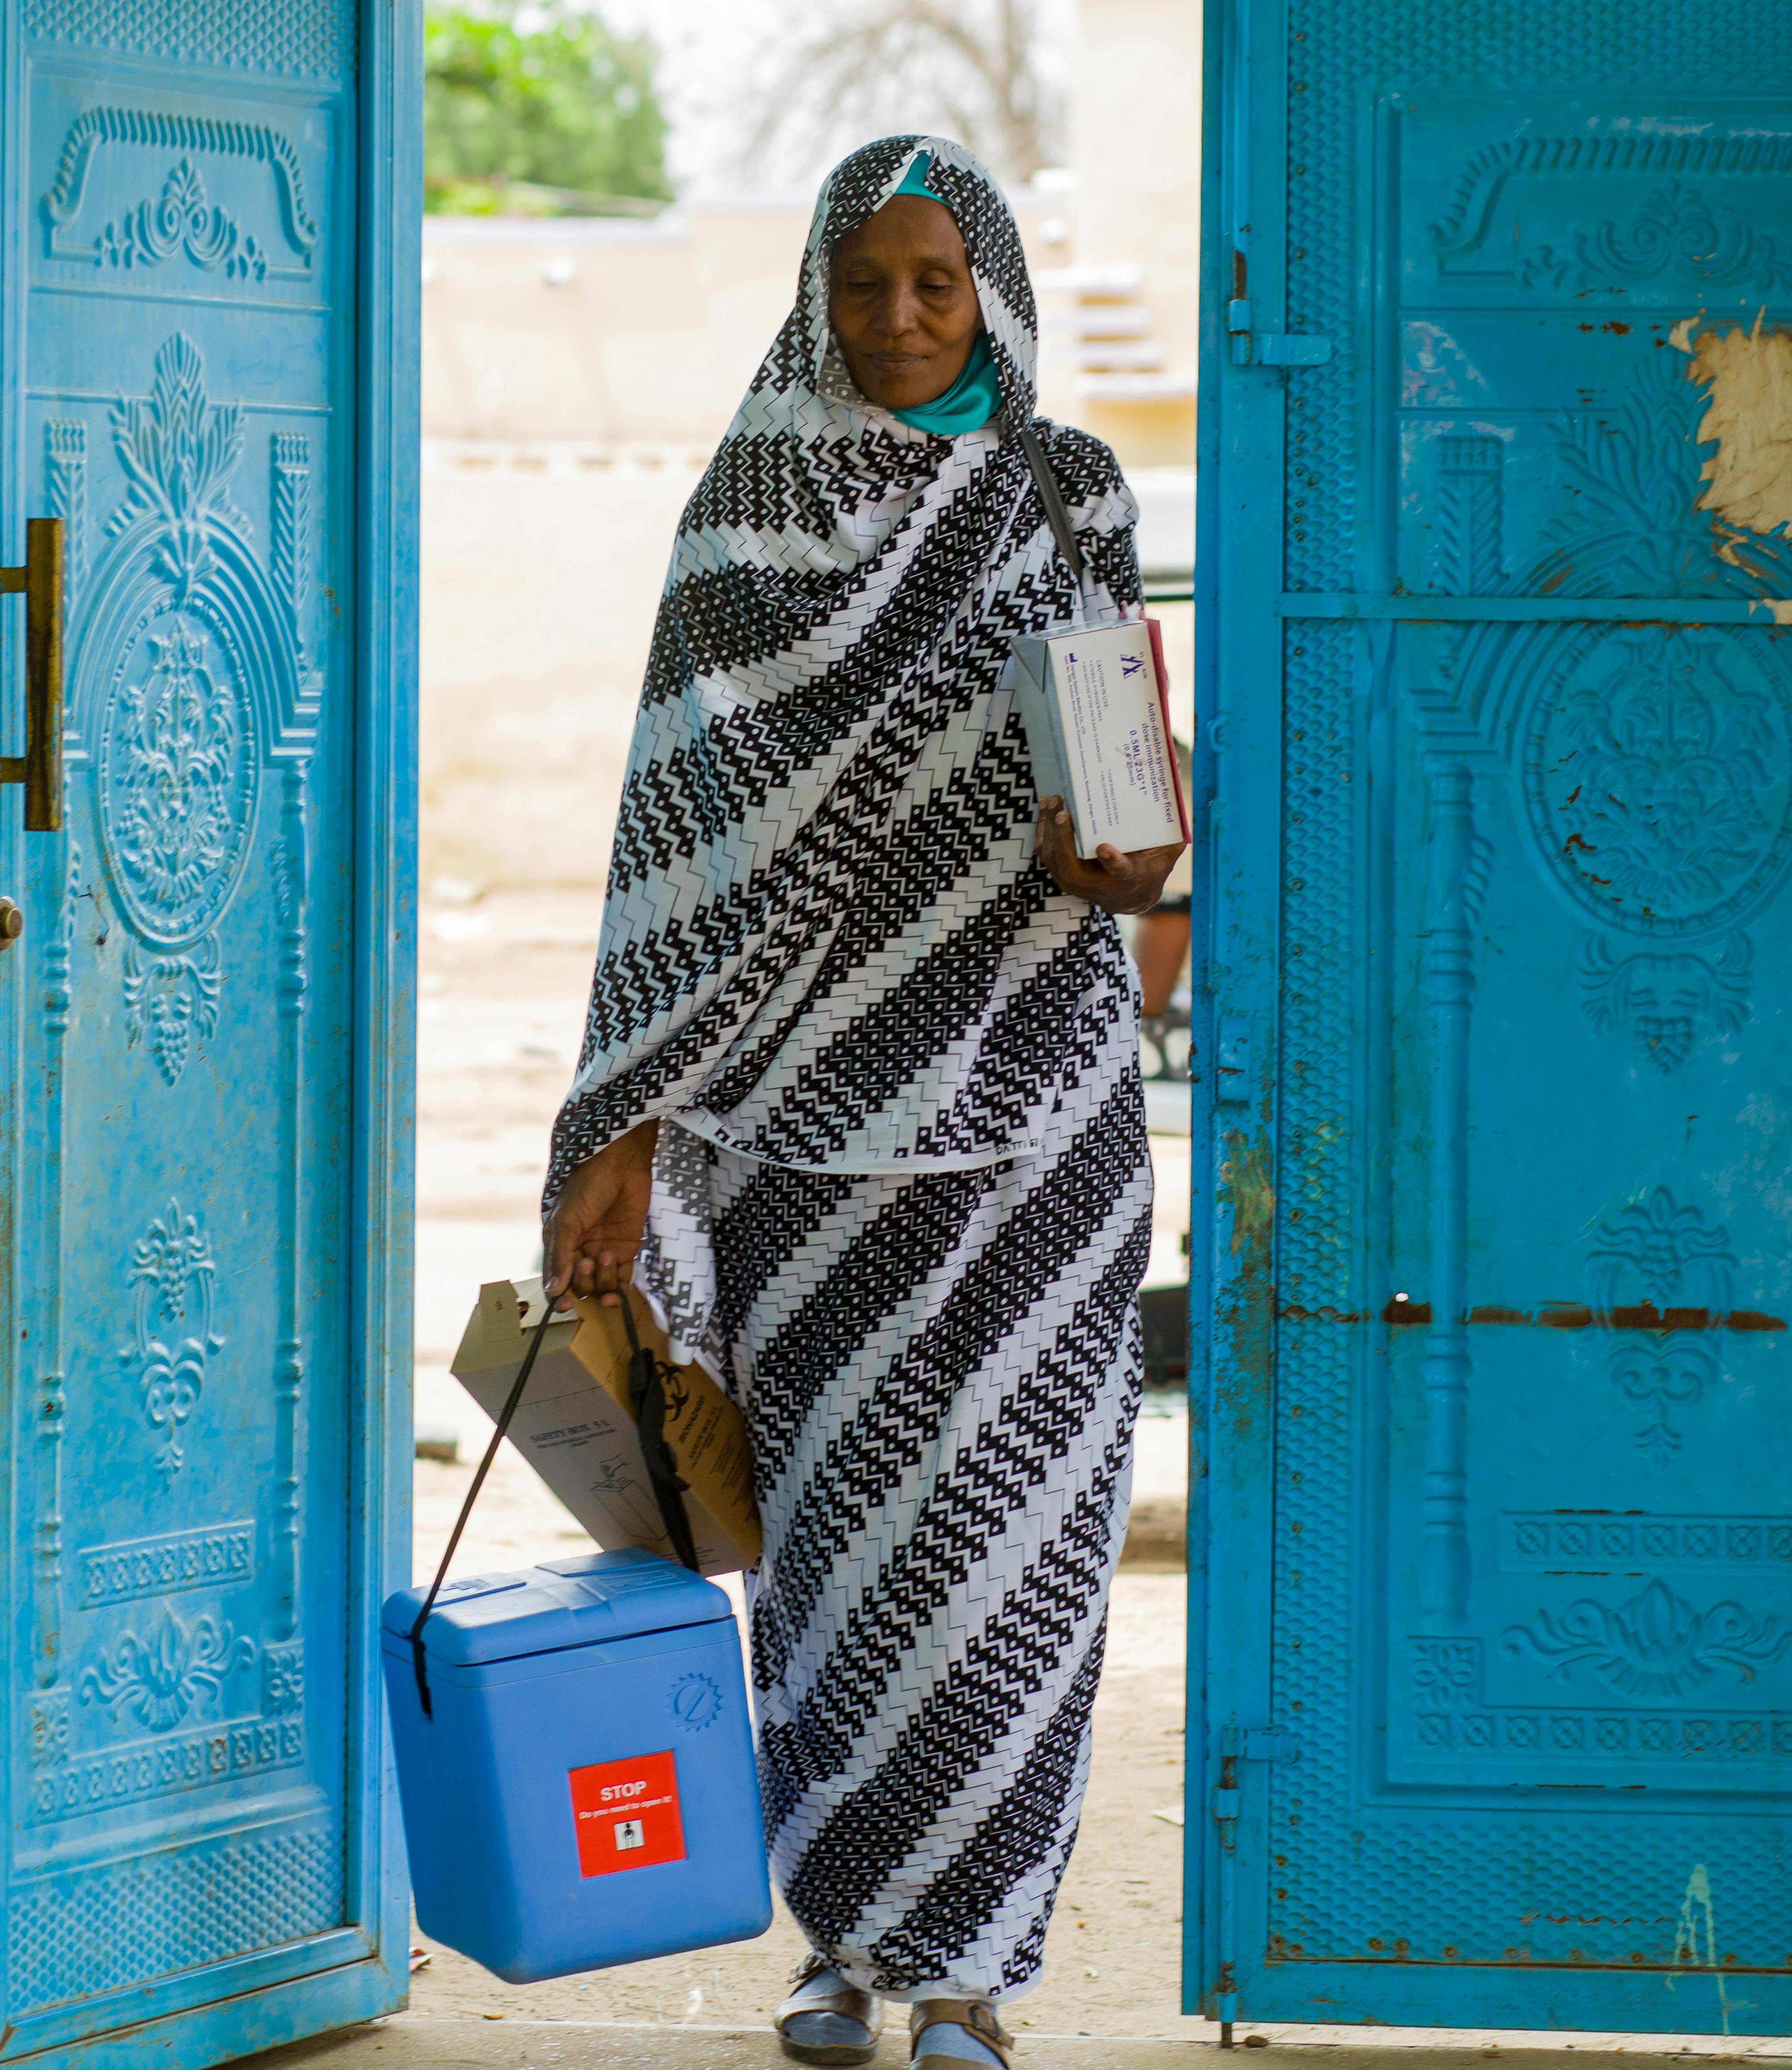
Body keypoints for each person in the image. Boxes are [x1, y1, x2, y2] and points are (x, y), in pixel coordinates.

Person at [540, 136, 1179, 2070]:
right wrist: (628, 1117)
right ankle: (839, 1953)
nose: (897, 321)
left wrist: (1118, 862)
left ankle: (973, 1971)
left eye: (933, 283)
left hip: (1038, 1125)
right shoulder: (743, 522)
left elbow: (1136, 816)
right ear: (813, 293)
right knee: (824, 1574)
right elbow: (675, 842)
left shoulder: (1063, 493)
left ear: (989, 291)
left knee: (1015, 1567)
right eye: (861, 283)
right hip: (803, 1137)